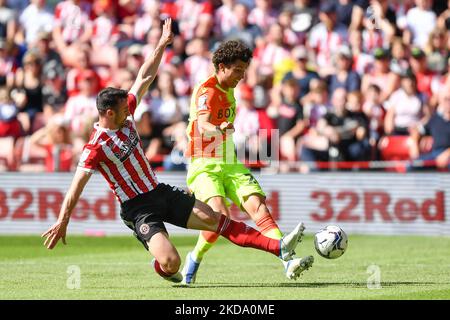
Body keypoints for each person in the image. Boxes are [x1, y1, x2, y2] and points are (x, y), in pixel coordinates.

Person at [41, 19, 308, 285]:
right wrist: (63, 221)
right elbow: (76, 186)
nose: (131, 109)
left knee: (218, 221)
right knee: (171, 263)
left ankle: (278, 248)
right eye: (125, 109)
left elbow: (144, 76)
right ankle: (163, 264)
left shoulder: (126, 111)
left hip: (159, 192)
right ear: (109, 113)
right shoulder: (95, 147)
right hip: (137, 209)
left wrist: (160, 44)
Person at [182, 39, 314, 285]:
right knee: (218, 217)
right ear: (221, 67)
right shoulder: (207, 90)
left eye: (244, 70)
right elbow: (202, 124)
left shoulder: (230, 88)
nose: (241, 76)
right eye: (238, 70)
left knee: (258, 206)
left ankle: (287, 261)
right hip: (204, 164)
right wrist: (218, 129)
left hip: (230, 162)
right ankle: (194, 257)